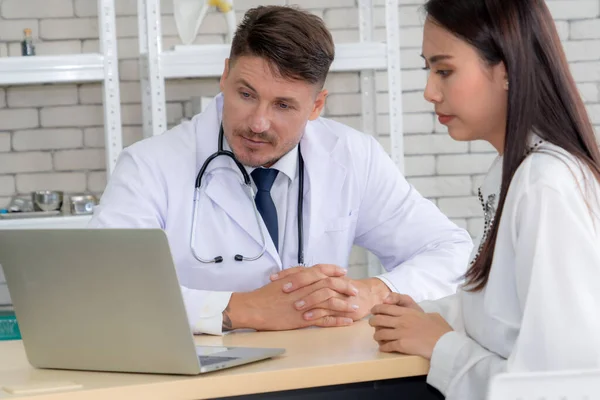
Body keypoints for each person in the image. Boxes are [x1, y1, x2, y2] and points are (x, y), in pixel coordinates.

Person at [89, 5, 473, 336]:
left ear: (317, 105)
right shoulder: (149, 166)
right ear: (225, 75)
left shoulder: (351, 156)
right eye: (245, 94)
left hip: (316, 370)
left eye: (284, 106)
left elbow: (449, 249)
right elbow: (104, 289)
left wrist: (375, 290)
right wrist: (238, 310)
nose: (257, 123)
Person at [369, 0, 600, 398]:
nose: (429, 91)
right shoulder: (519, 173)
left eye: (444, 71)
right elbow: (505, 317)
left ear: (507, 70)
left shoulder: (545, 185)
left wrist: (440, 345)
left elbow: (563, 387)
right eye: (429, 70)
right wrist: (422, 315)